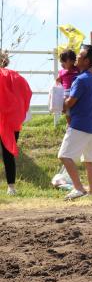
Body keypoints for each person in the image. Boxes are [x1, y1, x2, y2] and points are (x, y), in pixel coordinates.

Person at [58, 44, 92, 200]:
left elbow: (70, 102)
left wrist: (60, 105)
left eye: (80, 55)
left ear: (87, 60)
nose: (77, 57)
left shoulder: (81, 79)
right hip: (91, 127)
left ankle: (79, 188)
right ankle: (91, 191)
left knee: (64, 155)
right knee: (89, 161)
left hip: (79, 125)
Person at [0, 51, 32, 195]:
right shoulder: (17, 76)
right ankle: (11, 187)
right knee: (8, 154)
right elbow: (27, 93)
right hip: (12, 119)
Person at [56, 49, 79, 124]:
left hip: (75, 91)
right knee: (67, 113)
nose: (62, 64)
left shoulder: (77, 69)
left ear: (72, 61)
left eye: (64, 62)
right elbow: (59, 82)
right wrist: (58, 80)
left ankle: (72, 125)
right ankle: (69, 125)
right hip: (65, 93)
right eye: (61, 62)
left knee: (75, 110)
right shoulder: (61, 72)